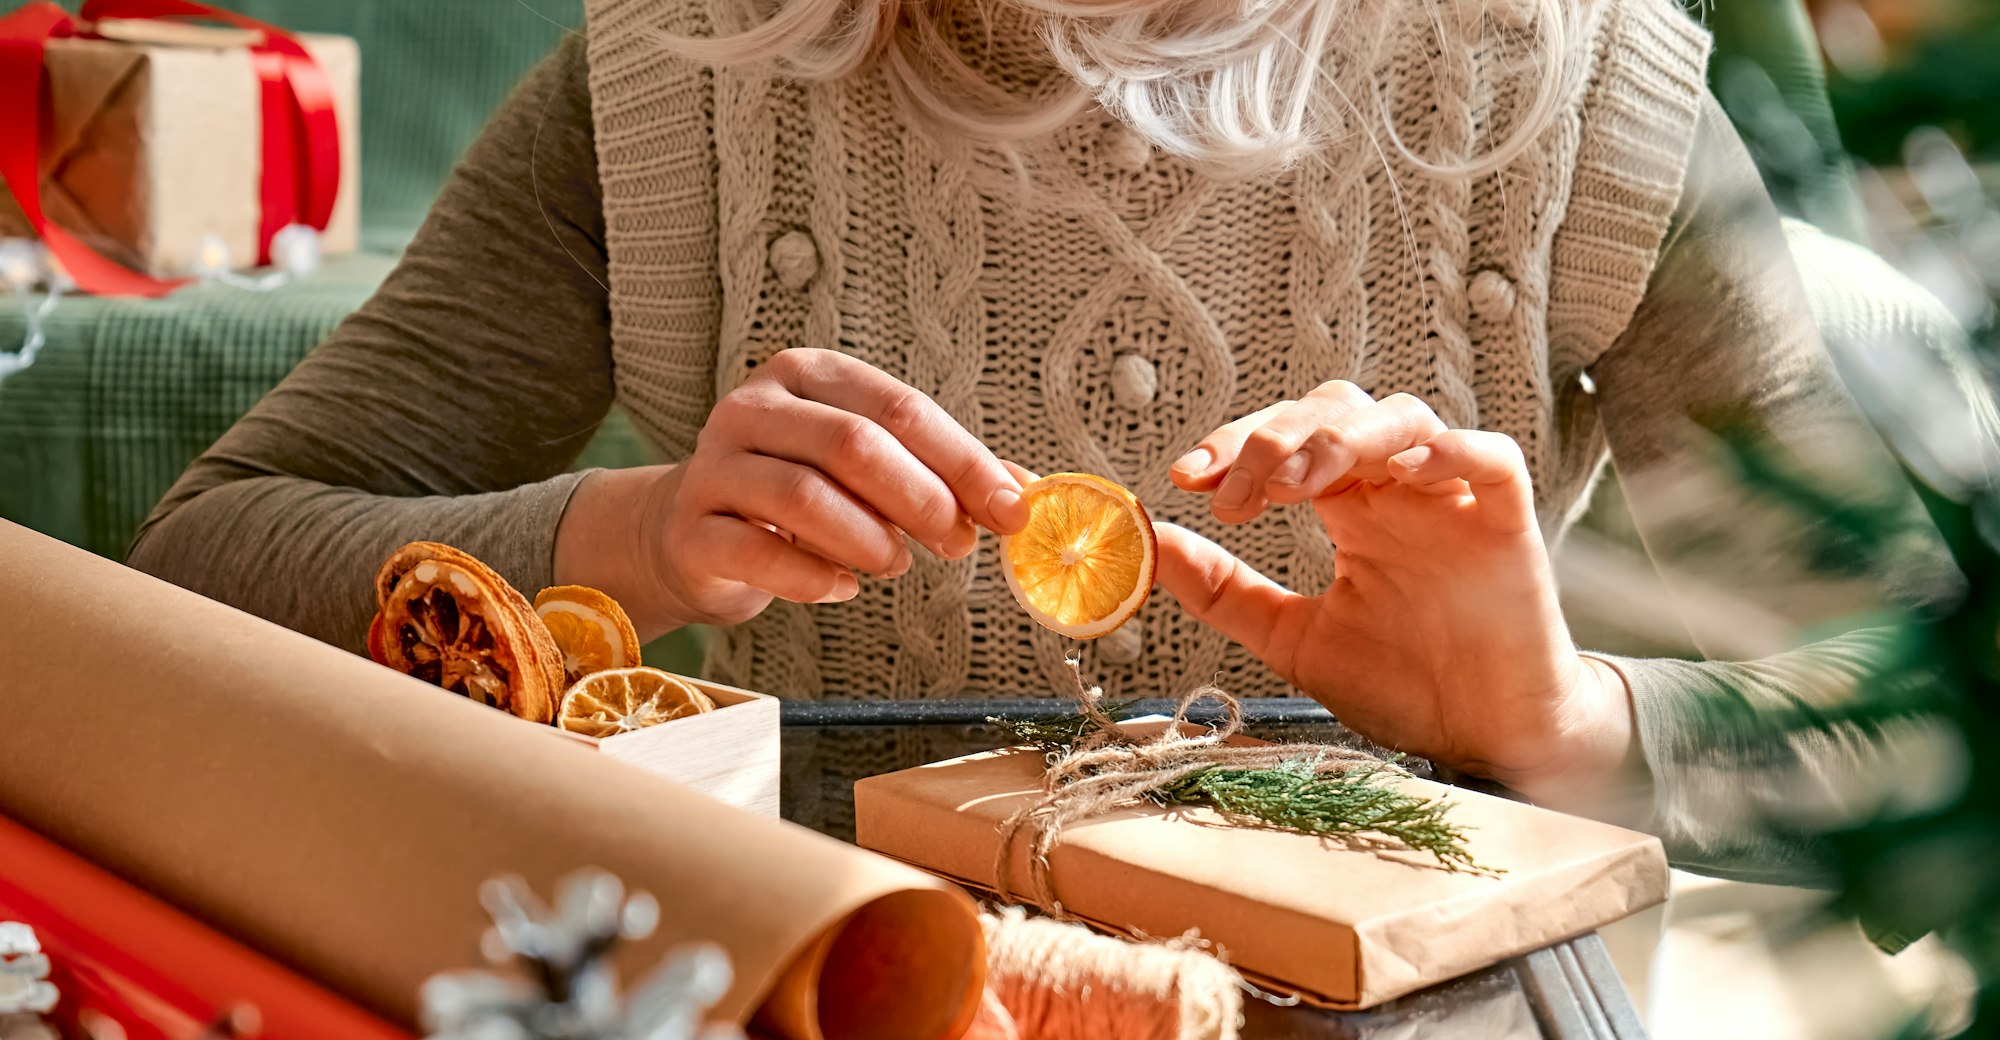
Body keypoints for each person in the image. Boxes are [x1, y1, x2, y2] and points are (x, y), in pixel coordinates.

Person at [127, 0, 1935, 880]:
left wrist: (1561, 722)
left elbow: (1941, 721)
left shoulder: (1575, 90)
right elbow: (197, 572)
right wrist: (627, 541)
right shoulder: (679, 75)